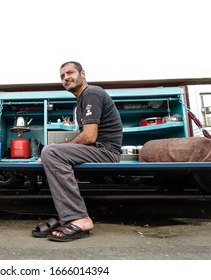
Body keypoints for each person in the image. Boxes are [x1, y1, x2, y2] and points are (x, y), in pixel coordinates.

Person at [32, 61, 123, 242]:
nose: (66, 78)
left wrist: (54, 151)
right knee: (50, 153)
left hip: (106, 152)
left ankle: (80, 218)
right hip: (97, 149)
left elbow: (89, 136)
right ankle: (67, 216)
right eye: (62, 76)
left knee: (51, 152)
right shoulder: (82, 99)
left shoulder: (92, 93)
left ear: (83, 73)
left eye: (70, 73)